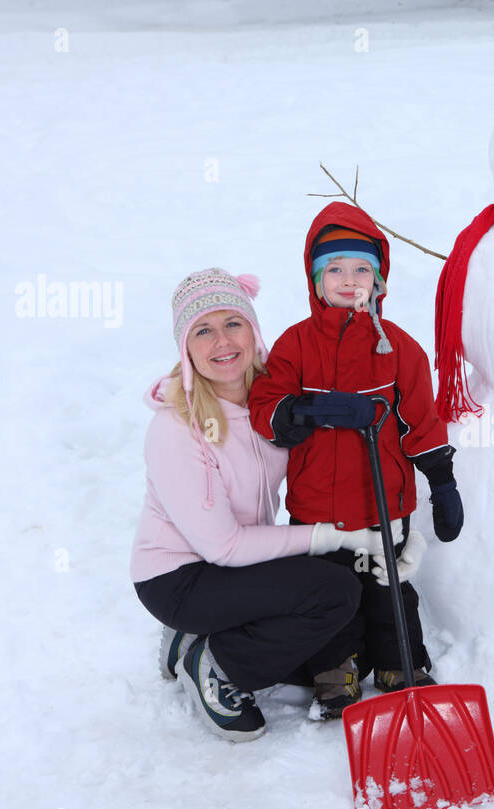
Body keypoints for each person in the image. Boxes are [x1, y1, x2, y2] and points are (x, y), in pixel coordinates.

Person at [132, 267, 394, 741]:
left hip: (240, 563)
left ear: (253, 329)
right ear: (186, 348)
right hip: (179, 578)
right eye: (203, 331)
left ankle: (199, 638)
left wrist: (384, 518)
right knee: (332, 594)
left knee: (345, 647)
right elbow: (222, 546)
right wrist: (331, 536)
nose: (222, 342)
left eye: (233, 323)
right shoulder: (177, 428)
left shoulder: (273, 401)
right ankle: (215, 664)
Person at [249, 204, 463, 713]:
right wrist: (310, 409)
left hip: (385, 501)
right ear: (316, 278)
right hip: (318, 509)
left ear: (379, 279)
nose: (349, 281)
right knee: (331, 593)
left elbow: (422, 423)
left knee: (389, 587)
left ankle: (401, 663)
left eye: (362, 269)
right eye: (336, 270)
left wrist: (444, 482)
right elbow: (266, 409)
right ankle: (334, 674)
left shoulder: (400, 350)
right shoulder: (296, 344)